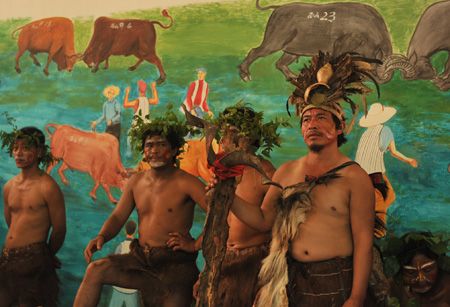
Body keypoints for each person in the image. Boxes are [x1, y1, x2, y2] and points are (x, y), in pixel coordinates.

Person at [208, 52, 377, 306]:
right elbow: (264, 221)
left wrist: (356, 297)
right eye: (306, 119)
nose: (312, 124)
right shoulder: (287, 172)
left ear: (339, 127)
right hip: (292, 281)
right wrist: (226, 196)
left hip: (336, 280)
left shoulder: (355, 177)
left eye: (321, 118)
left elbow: (364, 242)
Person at [73, 113, 208, 307]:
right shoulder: (136, 182)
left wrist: (196, 245)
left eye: (161, 144)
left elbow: (219, 217)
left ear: (175, 149)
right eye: (149, 145)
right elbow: (119, 216)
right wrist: (102, 236)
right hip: (141, 259)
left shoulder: (187, 182)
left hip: (176, 264)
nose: (154, 150)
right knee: (96, 269)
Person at [169, 105, 283, 306]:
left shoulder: (267, 175)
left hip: (254, 264)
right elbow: (219, 222)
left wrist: (270, 282)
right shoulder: (223, 171)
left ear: (252, 137)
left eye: (235, 134)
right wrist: (203, 264)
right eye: (224, 133)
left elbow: (274, 231)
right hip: (222, 260)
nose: (227, 140)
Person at [0, 126, 66, 307]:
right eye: (15, 148)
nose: (18, 153)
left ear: (39, 152)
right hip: (6, 259)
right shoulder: (9, 187)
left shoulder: (48, 187)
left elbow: (59, 230)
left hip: (33, 263)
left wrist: (47, 255)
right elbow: (12, 223)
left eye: (25, 148)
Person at [355, 102, 418, 235]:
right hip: (374, 174)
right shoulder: (385, 130)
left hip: (359, 175)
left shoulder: (365, 135)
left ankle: (370, 221)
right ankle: (378, 233)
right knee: (382, 202)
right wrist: (409, 160)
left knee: (390, 196)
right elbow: (393, 152)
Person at [386, 231, 450, 306]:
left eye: (428, 270)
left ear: (438, 265)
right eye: (411, 272)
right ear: (400, 270)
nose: (420, 279)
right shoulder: (390, 288)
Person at [108, 219, 140, 307]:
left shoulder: (119, 247)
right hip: (132, 289)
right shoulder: (137, 250)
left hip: (119, 286)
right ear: (135, 231)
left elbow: (114, 267)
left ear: (125, 231)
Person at [123, 80, 159, 156]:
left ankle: (129, 152)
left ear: (139, 90)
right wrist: (153, 88)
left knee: (129, 136)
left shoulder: (136, 101)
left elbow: (125, 105)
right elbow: (156, 100)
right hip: (146, 125)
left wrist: (127, 93)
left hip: (137, 126)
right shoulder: (148, 100)